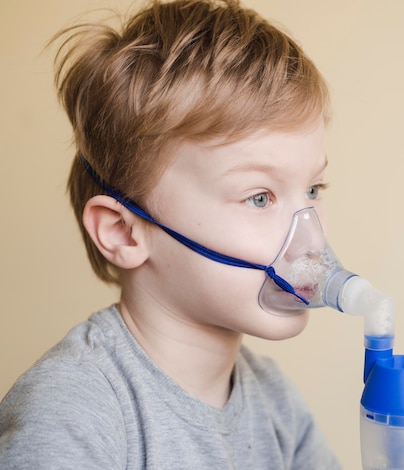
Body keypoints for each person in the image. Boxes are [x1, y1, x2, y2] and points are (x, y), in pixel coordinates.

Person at [0, 0, 342, 468]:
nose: (311, 240)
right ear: (123, 231)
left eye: (313, 188)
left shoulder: (275, 404)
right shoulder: (73, 412)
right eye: (259, 197)